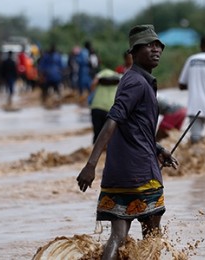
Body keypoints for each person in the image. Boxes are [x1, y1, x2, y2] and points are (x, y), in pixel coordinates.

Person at [76, 24, 178, 260]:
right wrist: (91, 164)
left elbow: (135, 130)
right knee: (152, 237)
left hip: (118, 174)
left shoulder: (135, 79)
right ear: (133, 52)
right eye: (149, 46)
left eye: (158, 46)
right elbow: (112, 119)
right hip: (142, 173)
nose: (156, 50)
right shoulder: (136, 82)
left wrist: (159, 149)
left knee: (118, 237)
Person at [88, 68, 120, 143]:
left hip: (97, 106)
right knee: (108, 135)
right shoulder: (118, 76)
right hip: (110, 108)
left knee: (97, 133)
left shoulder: (101, 74)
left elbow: (93, 84)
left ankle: (95, 151)